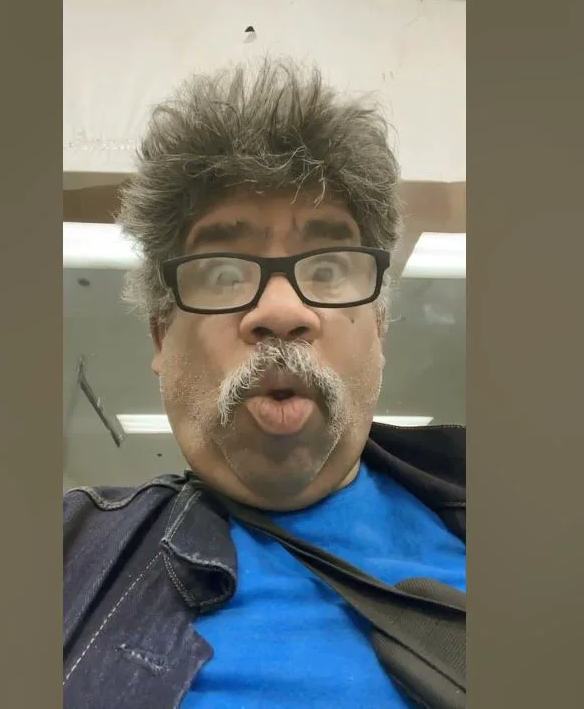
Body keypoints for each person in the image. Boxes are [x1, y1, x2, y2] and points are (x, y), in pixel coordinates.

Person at [63, 57, 466, 709]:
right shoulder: (67, 555)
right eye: (223, 274)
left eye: (328, 269)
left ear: (379, 326)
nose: (281, 311)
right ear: (162, 337)